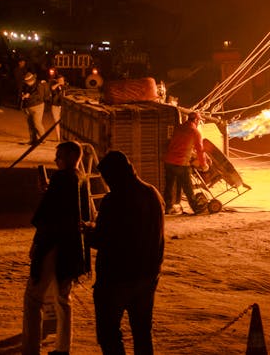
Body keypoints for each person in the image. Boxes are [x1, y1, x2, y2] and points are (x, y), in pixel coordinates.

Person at [86, 150, 165, 355]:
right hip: (147, 276)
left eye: (107, 177)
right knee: (142, 333)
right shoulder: (152, 193)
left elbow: (103, 240)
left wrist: (87, 232)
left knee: (109, 333)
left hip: (117, 278)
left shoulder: (114, 200)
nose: (106, 182)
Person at [21, 140, 91, 355]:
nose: (55, 160)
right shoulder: (81, 178)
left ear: (70, 158)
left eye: (59, 156)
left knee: (33, 299)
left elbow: (47, 216)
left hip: (52, 245)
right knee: (63, 299)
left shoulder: (61, 179)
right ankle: (63, 348)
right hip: (71, 248)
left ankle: (31, 348)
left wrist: (36, 244)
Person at [162, 111, 208, 215]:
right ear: (196, 120)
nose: (198, 123)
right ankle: (196, 208)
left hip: (169, 161)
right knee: (188, 187)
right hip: (181, 163)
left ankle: (168, 207)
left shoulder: (179, 127)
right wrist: (204, 165)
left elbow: (177, 142)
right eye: (198, 121)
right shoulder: (195, 132)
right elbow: (200, 150)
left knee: (169, 186)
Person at [20, 72, 46, 145]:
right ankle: (33, 139)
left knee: (37, 123)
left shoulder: (39, 85)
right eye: (26, 82)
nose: (27, 83)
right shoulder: (26, 85)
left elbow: (40, 96)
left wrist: (29, 96)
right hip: (28, 107)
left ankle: (43, 138)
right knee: (30, 124)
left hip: (37, 106)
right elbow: (23, 91)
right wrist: (23, 95)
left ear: (32, 80)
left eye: (28, 82)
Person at [47, 73, 66, 141]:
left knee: (63, 123)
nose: (62, 81)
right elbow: (52, 88)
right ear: (57, 80)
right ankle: (58, 138)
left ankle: (62, 137)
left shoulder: (64, 87)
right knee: (56, 122)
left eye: (63, 80)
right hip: (55, 106)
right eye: (60, 80)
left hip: (62, 106)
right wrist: (58, 84)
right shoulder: (54, 85)